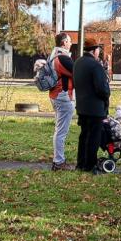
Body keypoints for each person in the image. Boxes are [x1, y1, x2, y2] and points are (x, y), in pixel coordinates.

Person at [74, 38, 111, 173]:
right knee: (94, 138)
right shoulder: (95, 65)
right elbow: (102, 88)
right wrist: (107, 95)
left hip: (82, 106)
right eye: (98, 50)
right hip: (95, 109)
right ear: (95, 50)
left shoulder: (77, 63)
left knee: (84, 136)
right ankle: (90, 165)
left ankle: (81, 164)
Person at [47, 33, 76, 171]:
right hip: (63, 96)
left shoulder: (53, 56)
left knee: (59, 130)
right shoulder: (63, 58)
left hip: (55, 95)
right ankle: (59, 162)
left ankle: (58, 161)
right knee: (61, 132)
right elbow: (78, 72)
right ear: (64, 42)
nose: (71, 43)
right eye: (69, 41)